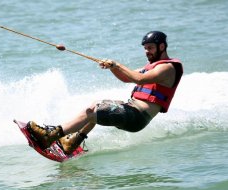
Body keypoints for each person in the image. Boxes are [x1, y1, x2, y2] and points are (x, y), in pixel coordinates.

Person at [27, 31, 183, 154]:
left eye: (150, 48)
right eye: (145, 48)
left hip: (137, 116)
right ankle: (71, 142)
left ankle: (50, 136)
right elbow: (126, 78)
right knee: (95, 107)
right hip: (132, 111)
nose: (146, 52)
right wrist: (113, 68)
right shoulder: (155, 66)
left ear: (162, 47)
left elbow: (139, 79)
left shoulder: (166, 68)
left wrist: (117, 64)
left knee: (93, 111)